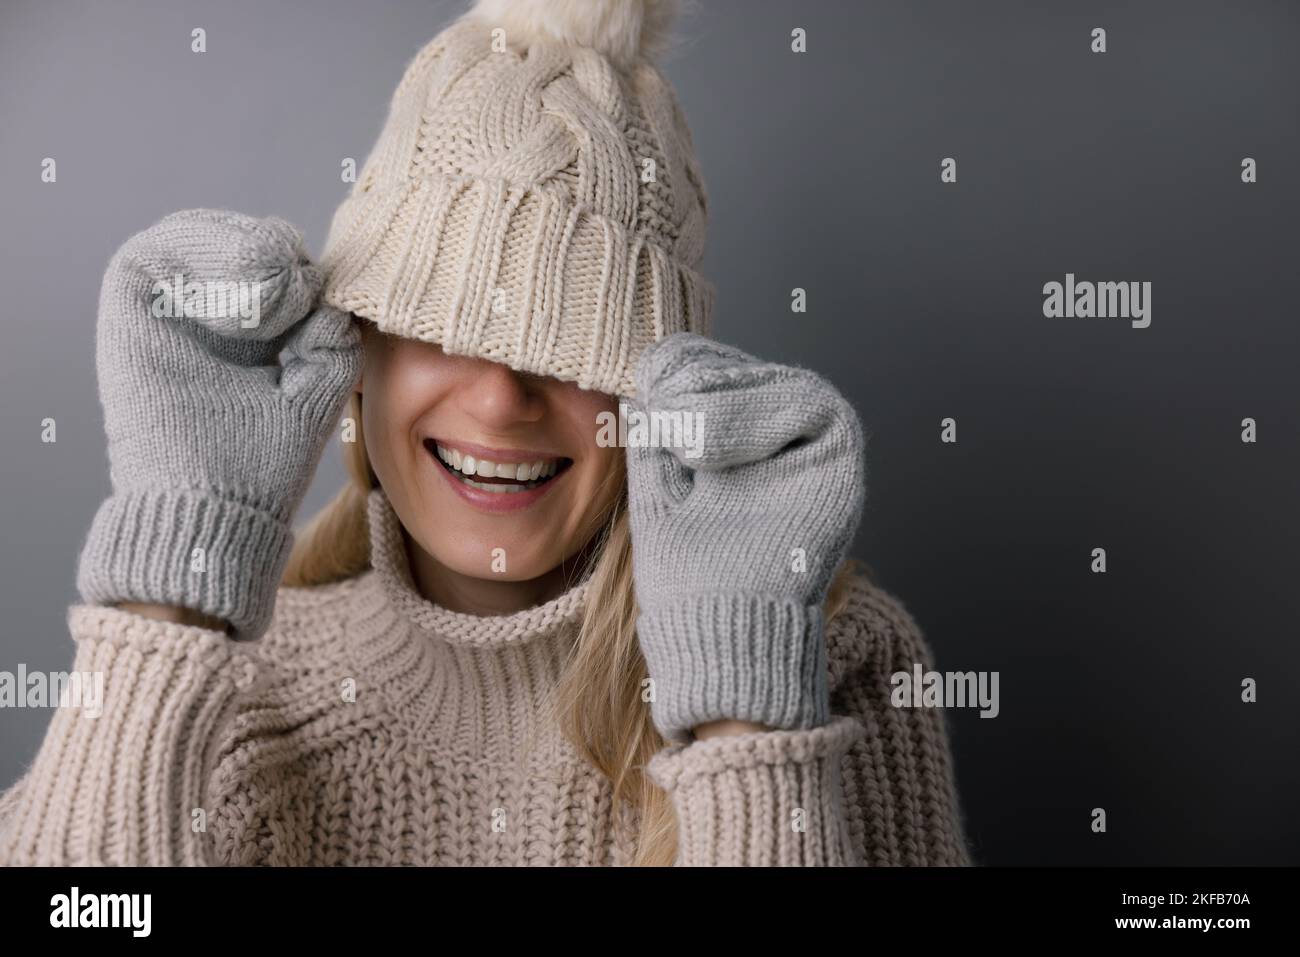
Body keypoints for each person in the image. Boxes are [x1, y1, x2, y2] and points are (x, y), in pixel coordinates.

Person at [0, 0, 971, 867]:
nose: (502, 400)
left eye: (574, 340)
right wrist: (173, 584)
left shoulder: (834, 661)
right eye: (441, 326)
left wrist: (742, 717)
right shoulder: (233, 694)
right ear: (354, 349)